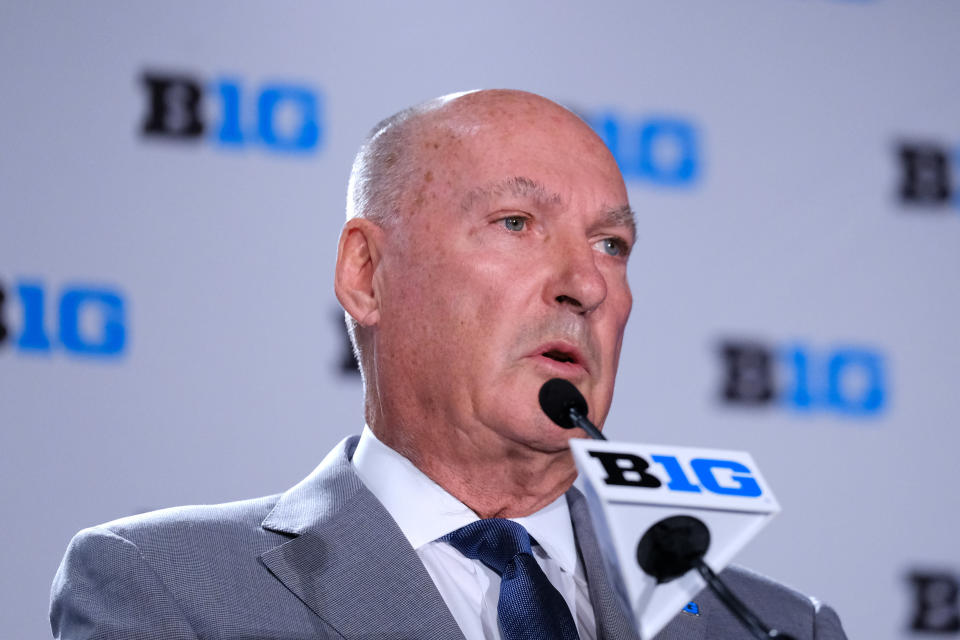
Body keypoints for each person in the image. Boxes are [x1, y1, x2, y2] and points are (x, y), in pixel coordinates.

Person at [51, 90, 847, 639]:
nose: (584, 284)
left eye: (613, 245)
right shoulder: (168, 588)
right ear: (367, 273)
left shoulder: (769, 624)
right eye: (516, 222)